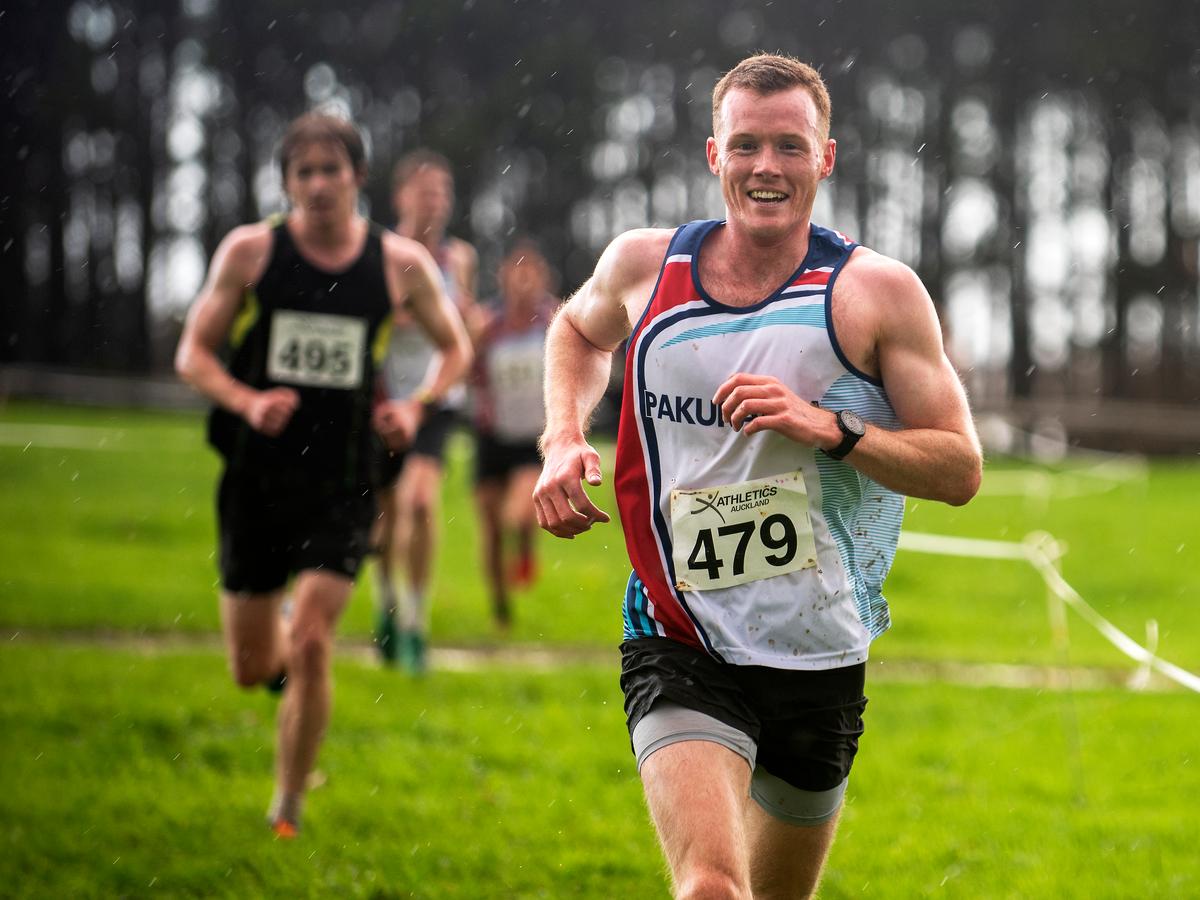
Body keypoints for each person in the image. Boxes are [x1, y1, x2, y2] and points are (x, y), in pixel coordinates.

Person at [533, 53, 982, 898]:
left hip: (821, 649)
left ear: (826, 157)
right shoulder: (645, 267)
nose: (766, 168)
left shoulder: (874, 294)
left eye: (788, 146)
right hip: (679, 632)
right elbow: (578, 332)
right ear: (714, 157)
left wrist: (831, 429)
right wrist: (561, 435)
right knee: (711, 888)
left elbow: (959, 467)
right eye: (745, 147)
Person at [175, 113, 471, 838]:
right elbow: (193, 354)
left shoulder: (398, 264)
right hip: (256, 479)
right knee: (252, 667)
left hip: (343, 478)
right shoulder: (251, 252)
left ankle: (288, 807)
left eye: (330, 170)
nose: (316, 185)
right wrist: (248, 400)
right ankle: (273, 649)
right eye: (301, 173)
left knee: (312, 640)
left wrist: (416, 405)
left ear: (357, 178)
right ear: (286, 184)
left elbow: (455, 350)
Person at [372, 149, 479, 671]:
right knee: (384, 520)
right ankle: (385, 605)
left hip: (436, 397)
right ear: (401, 197)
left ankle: (416, 621)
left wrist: (464, 320)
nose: (434, 199)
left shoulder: (459, 259)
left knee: (419, 502)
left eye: (442, 191)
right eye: (424, 190)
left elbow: (464, 328)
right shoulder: (382, 253)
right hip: (383, 399)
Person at [471, 239, 557, 629]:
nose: (523, 283)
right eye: (516, 274)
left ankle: (525, 544)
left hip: (534, 438)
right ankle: (499, 602)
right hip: (492, 435)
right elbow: (467, 369)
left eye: (531, 274)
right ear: (503, 278)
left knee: (516, 513)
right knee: (489, 525)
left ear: (541, 278)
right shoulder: (488, 324)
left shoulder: (555, 320)